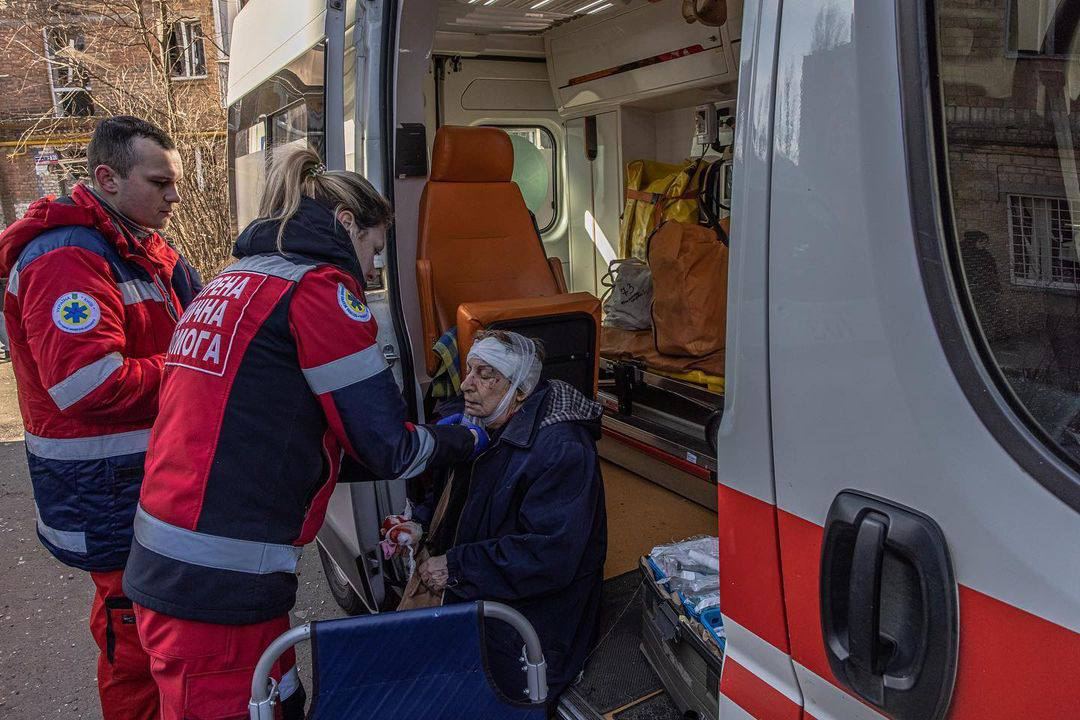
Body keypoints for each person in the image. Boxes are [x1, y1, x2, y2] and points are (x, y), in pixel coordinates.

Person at [122, 146, 487, 720]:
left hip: (181, 558)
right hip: (221, 581)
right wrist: (464, 439)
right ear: (345, 224)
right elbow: (384, 444)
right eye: (372, 249)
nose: (370, 270)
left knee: (276, 701)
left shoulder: (234, 280)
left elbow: (285, 427)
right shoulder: (319, 292)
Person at [0, 115, 201, 720]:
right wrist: (194, 369)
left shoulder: (134, 244)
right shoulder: (66, 257)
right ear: (107, 179)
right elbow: (90, 384)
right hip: (108, 489)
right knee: (134, 648)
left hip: (138, 479)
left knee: (155, 633)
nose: (173, 196)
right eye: (159, 181)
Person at [390, 330, 608, 702]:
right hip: (487, 595)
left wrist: (456, 567)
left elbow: (548, 557)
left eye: (485, 374)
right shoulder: (477, 425)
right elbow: (452, 494)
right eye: (469, 370)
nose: (467, 385)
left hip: (536, 621)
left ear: (520, 390)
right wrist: (421, 522)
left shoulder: (561, 450)